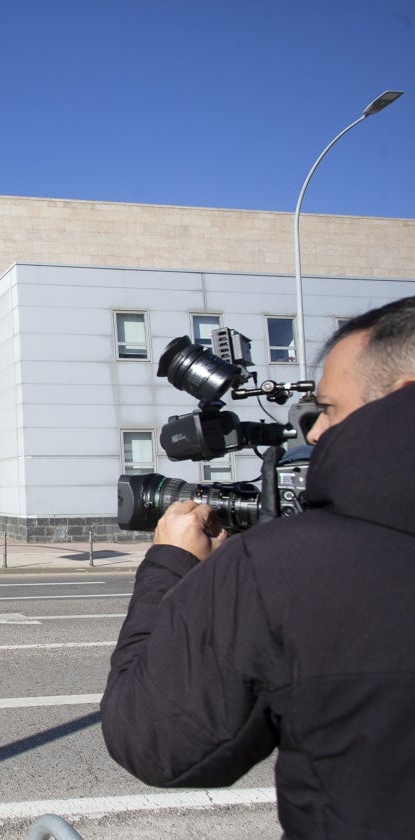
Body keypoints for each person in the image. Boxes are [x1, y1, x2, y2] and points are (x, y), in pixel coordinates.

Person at [102, 296, 415, 839]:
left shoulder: (290, 566)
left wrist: (171, 567)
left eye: (331, 410)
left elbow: (155, 739)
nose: (314, 435)